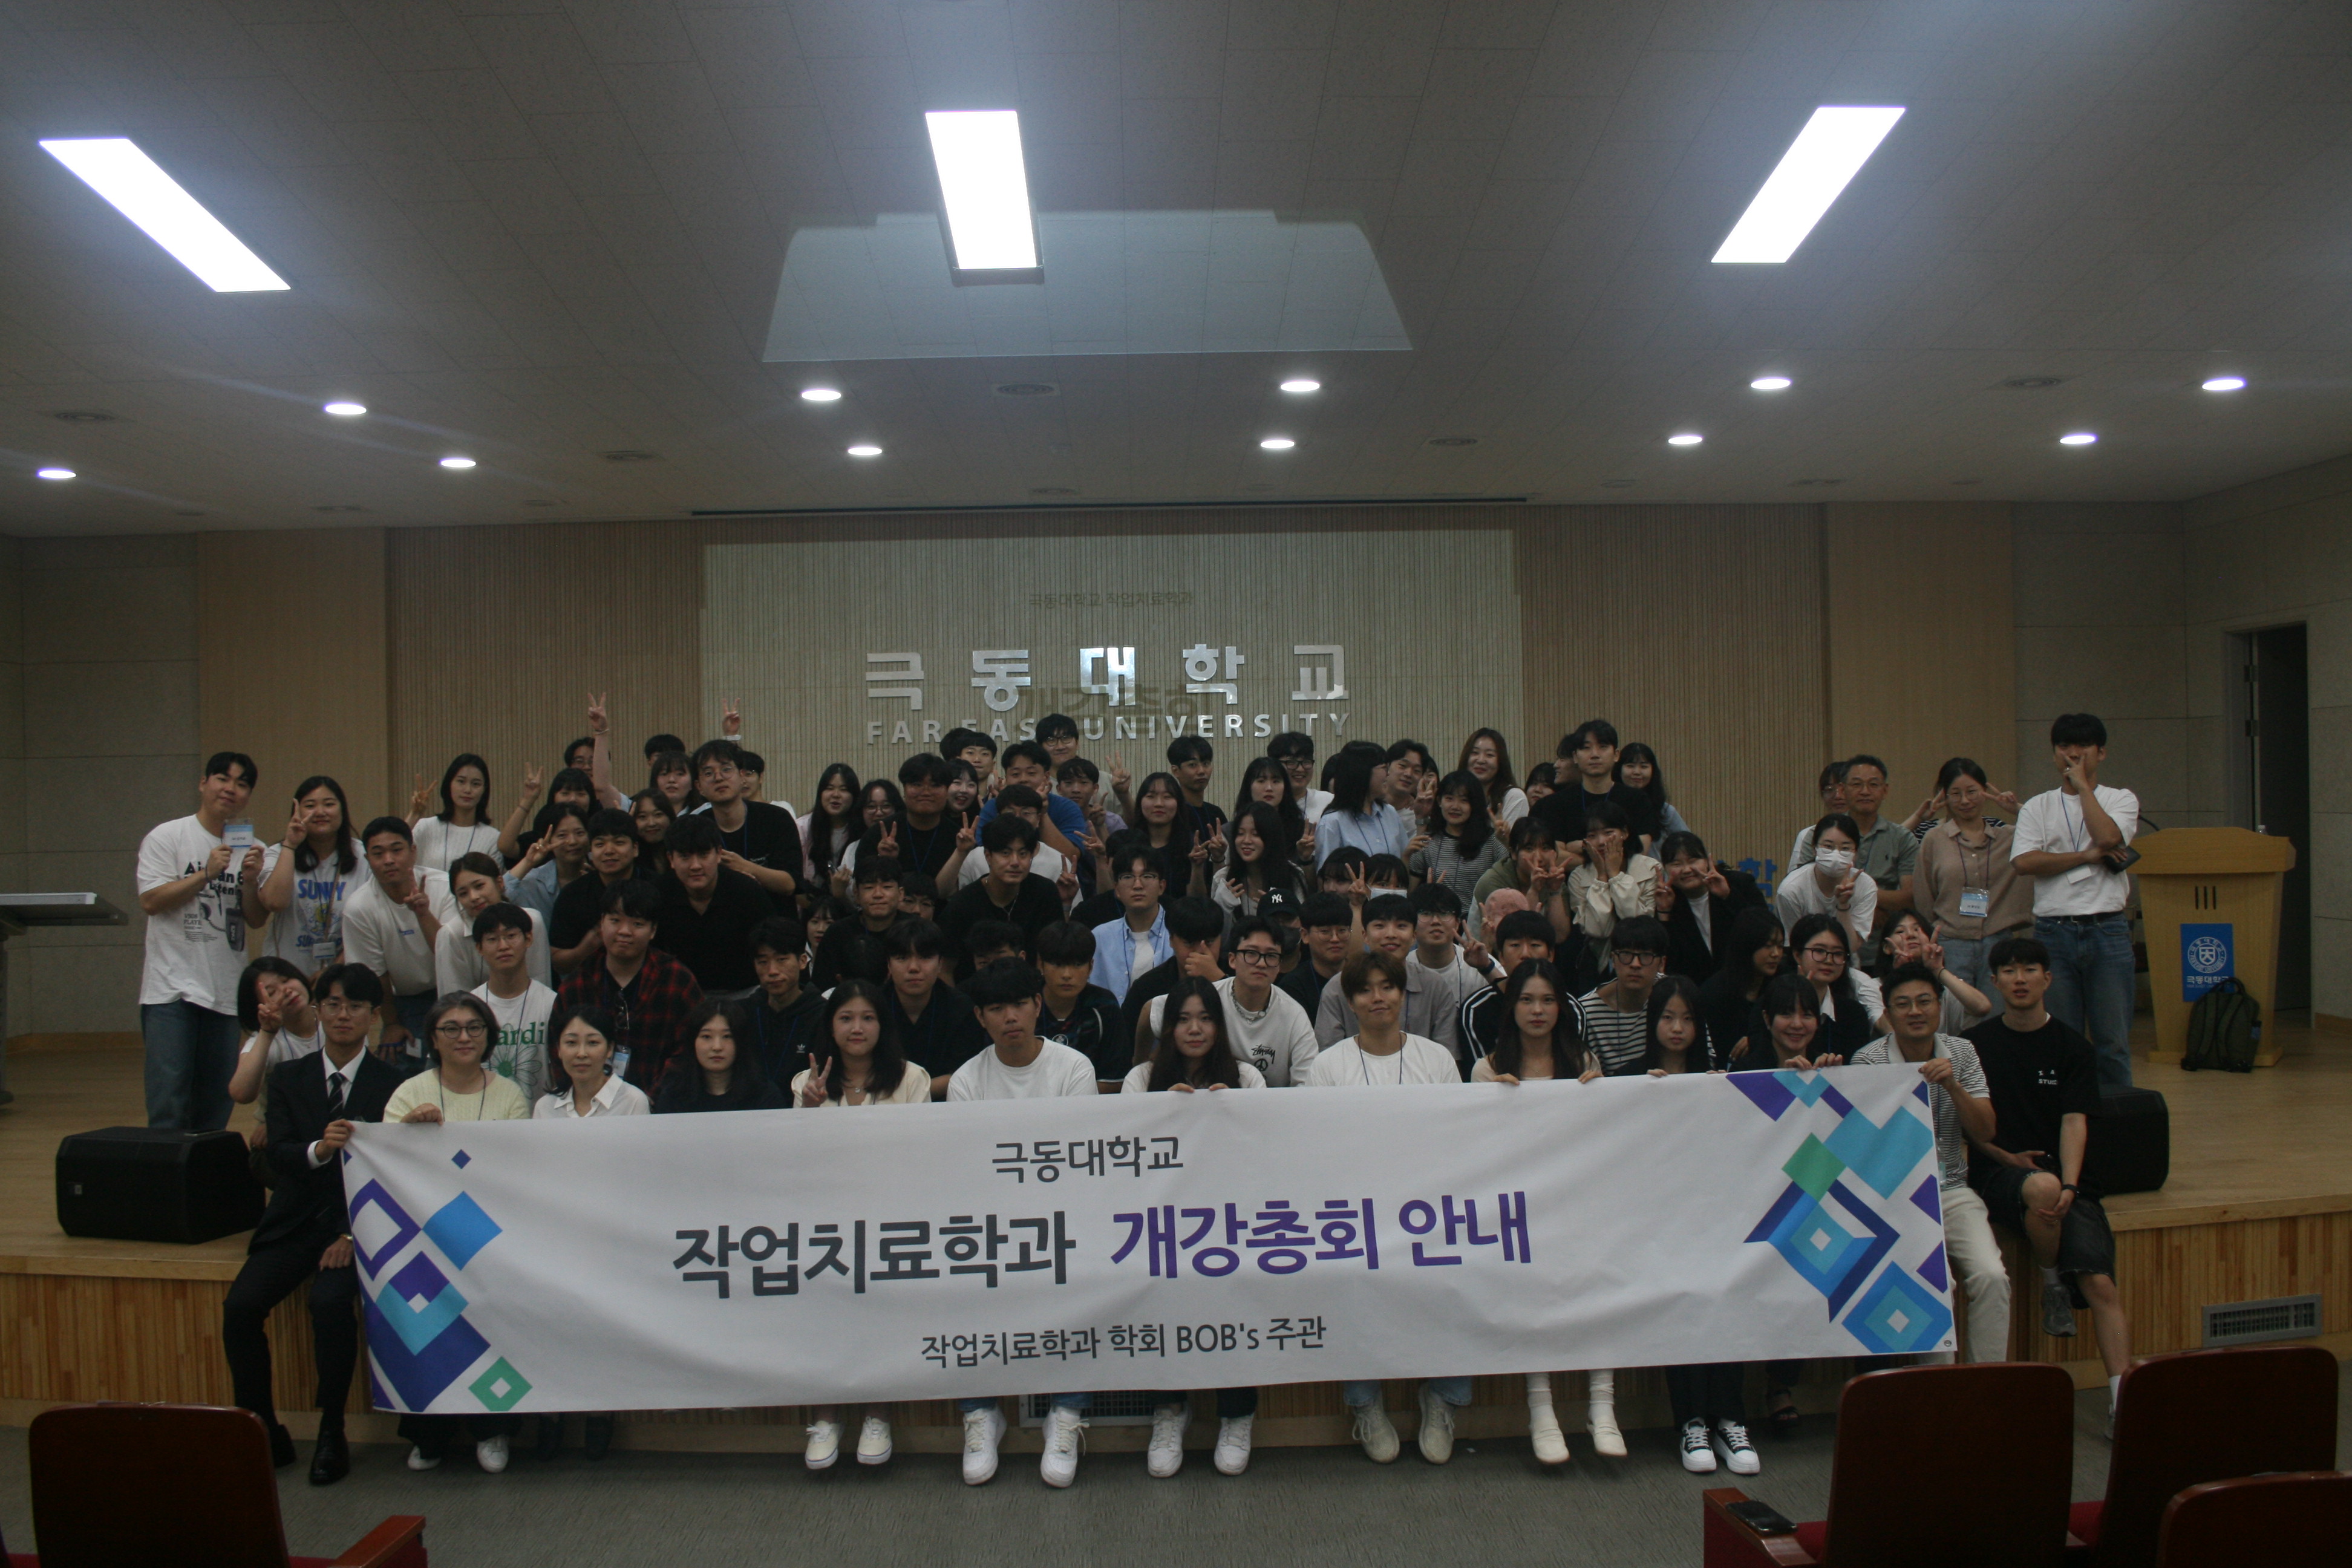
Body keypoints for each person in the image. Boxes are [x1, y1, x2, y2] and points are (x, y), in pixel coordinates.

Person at [220, 961, 399, 1486]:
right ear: (317, 1011)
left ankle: (331, 1430)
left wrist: (350, 1233)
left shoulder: (396, 1083)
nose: (344, 1015)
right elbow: (275, 1154)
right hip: (294, 1222)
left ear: (373, 1016)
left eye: (356, 1006)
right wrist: (318, 1150)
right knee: (240, 1307)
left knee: (329, 1305)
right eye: (334, 1004)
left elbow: (395, 1175)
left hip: (357, 1227)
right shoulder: (288, 1077)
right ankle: (261, 1427)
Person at [1303, 949, 1467, 1462]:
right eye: (1365, 989)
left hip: (1430, 1209)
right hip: (1355, 1213)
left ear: (1402, 994)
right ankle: (1365, 1403)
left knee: (1461, 1273)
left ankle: (1443, 1398)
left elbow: (1457, 1141)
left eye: (1388, 987)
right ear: (1350, 1001)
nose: (1378, 998)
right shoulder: (1328, 1066)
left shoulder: (1436, 1060)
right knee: (1352, 1281)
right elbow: (1318, 1151)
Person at [1966, 935, 2132, 1423]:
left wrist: (2073, 1187)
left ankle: (2125, 1403)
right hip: (1999, 1174)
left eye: (2029, 970)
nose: (2020, 980)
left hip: (2066, 1181)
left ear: (2048, 978)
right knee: (2041, 1186)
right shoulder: (1976, 1046)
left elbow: (2074, 1122)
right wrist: (2008, 1158)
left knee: (2101, 1284)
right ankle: (2053, 1280)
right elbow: (1972, 1127)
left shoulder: (2073, 1047)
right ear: (1995, 982)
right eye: (2009, 971)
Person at [949, 961, 1099, 1486]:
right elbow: (970, 1171)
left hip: (1066, 1219)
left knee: (1083, 1282)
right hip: (990, 1223)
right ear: (980, 1017)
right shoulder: (967, 1080)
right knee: (960, 1282)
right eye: (997, 1009)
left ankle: (1066, 1412)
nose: (1010, 1017)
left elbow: (1078, 1159)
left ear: (1038, 1006)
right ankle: (980, 1412)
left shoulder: (1073, 1068)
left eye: (1019, 1005)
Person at [1123, 976, 1266, 1478]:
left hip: (1234, 1223)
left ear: (1220, 1026)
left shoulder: (1246, 1078)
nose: (1195, 1029)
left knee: (1239, 1294)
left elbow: (1266, 1153)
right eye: (1183, 1020)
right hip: (1160, 1224)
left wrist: (1234, 1116)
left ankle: (1237, 1415)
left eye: (1205, 1018)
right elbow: (1123, 1157)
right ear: (1167, 1028)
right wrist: (1163, 1116)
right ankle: (1168, 1410)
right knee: (1157, 1291)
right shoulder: (1141, 1079)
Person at [383, 991, 529, 1475]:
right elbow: (385, 1167)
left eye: (474, 1028)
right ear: (433, 1038)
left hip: (490, 1236)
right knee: (422, 1321)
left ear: (489, 1036)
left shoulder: (510, 1095)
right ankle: (430, 1434)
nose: (464, 1037)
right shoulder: (409, 1092)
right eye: (451, 1028)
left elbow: (516, 1170)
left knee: (492, 1315)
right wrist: (409, 1133)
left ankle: (492, 1429)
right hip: (423, 1236)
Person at [789, 979, 927, 1471]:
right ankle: (826, 1416)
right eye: (846, 1018)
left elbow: (919, 1156)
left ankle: (877, 1412)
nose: (857, 1028)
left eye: (868, 1018)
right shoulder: (804, 1082)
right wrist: (809, 1109)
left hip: (891, 1219)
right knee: (823, 1308)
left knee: (880, 1307)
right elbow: (796, 1161)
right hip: (825, 1222)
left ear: (882, 1025)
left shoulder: (911, 1078)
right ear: (830, 1026)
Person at [1470, 958, 1604, 1465]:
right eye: (1527, 1000)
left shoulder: (1584, 1060)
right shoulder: (1487, 1067)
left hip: (1578, 1202)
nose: (1538, 1010)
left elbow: (1607, 1134)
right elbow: (1476, 1148)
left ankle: (1603, 1403)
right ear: (1512, 1007)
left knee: (1602, 1282)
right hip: (1517, 1207)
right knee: (1531, 1290)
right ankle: (1540, 1407)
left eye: (1548, 1000)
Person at [1852, 962, 2007, 1366]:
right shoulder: (1867, 1062)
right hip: (1896, 1198)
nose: (1915, 1011)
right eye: (1903, 1004)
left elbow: (1986, 1130)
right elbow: (1862, 1148)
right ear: (1888, 1012)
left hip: (1952, 1189)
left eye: (1924, 1001)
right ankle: (1938, 1391)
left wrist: (1953, 1085)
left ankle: (1987, 1385)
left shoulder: (1963, 1052)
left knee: (1992, 1275)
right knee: (1938, 1284)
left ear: (1939, 1005)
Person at [1640, 973, 1760, 1475]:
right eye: (1668, 1017)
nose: (1677, 1028)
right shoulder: (1629, 1079)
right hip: (1653, 1225)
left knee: (1728, 1294)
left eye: (1688, 1019)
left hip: (1715, 1219)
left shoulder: (1719, 1082)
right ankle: (1691, 1421)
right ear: (1653, 1021)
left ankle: (1730, 1419)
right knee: (1682, 1300)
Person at [1733, 972, 1846, 1436]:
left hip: (1811, 1198)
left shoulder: (1833, 1067)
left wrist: (1830, 1083)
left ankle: (1781, 1384)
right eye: (1786, 1013)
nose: (1797, 1023)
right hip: (1750, 1200)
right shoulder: (1744, 1071)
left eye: (1807, 1014)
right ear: (1766, 1019)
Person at [2009, 714, 2140, 1091]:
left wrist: (2082, 786)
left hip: (2107, 930)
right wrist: (2086, 856)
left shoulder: (2120, 799)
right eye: (2064, 746)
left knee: (2112, 1042)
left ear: (2101, 753)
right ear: (2054, 753)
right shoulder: (2038, 806)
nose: (2072, 753)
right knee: (2062, 1040)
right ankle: (2068, 1117)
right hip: (2055, 932)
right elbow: (2024, 862)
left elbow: (2109, 838)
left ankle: (2115, 1119)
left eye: (2083, 746)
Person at [138, 751, 263, 1130]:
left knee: (215, 1106)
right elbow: (151, 901)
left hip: (225, 991)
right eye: (223, 779)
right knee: (169, 1103)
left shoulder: (250, 847)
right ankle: (167, 1170)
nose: (231, 789)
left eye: (242, 784)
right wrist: (206, 874)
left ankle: (204, 1170)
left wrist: (251, 881)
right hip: (171, 990)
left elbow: (256, 918)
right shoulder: (169, 836)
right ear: (203, 783)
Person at [554, 882, 704, 1097]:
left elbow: (689, 1049)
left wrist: (651, 1099)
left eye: (637, 924)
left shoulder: (677, 981)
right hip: (591, 1106)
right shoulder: (577, 984)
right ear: (602, 923)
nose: (625, 931)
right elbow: (558, 1051)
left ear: (653, 930)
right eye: (615, 921)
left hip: (662, 1105)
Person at [1137, 916, 1318, 1086]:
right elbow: (1150, 1011)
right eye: (1251, 953)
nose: (1261, 963)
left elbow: (1307, 1085)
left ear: (1279, 965)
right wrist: (1139, 1062)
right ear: (1232, 960)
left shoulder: (1294, 1015)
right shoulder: (1207, 997)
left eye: (1271, 956)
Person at [341, 817, 460, 1067]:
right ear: (367, 859)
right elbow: (375, 975)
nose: (388, 860)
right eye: (378, 854)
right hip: (403, 1001)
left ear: (413, 851)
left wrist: (423, 914)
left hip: (454, 989)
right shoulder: (359, 907)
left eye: (397, 850)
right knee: (402, 1066)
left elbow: (453, 955)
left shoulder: (445, 886)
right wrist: (392, 1023)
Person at [1914, 757, 2032, 998]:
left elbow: (2051, 832)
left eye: (1972, 792)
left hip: (1998, 941)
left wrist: (2016, 809)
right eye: (1956, 794)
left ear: (1985, 792)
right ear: (1945, 796)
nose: (1965, 801)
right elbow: (1924, 896)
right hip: (1951, 942)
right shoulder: (1934, 839)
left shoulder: (2009, 837)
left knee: (1996, 1012)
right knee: (1955, 1014)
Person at [1798, 754, 1916, 964]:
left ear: (1885, 790)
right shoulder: (1818, 836)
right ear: (1843, 790)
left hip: (1884, 950)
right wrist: (1869, 902)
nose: (1865, 791)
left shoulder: (1902, 838)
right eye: (1857, 784)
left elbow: (1909, 897)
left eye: (1873, 785)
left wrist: (1867, 900)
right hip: (1827, 948)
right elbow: (1806, 887)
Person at [651, 813, 777, 993]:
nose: (695, 866)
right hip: (680, 993)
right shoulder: (658, 894)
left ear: (719, 854)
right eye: (685, 857)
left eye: (704, 855)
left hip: (746, 992)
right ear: (671, 859)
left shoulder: (747, 892)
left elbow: (771, 946)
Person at [255, 774, 367, 978]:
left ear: (342, 810)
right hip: (286, 975)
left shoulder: (363, 855)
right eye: (310, 806)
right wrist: (291, 845)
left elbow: (368, 925)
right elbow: (275, 902)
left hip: (343, 976)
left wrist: (332, 972)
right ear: (296, 812)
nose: (320, 812)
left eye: (329, 804)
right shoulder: (278, 853)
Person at [1313, 892, 1456, 1048]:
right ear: (1365, 935)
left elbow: (1447, 1053)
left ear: (1414, 936)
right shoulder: (1338, 988)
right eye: (1380, 926)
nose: (1390, 935)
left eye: (1401, 926)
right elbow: (1328, 1052)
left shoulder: (1435, 986)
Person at [939, 814, 1073, 969]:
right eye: (1005, 853)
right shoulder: (964, 903)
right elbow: (946, 969)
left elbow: (1055, 953)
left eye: (1023, 854)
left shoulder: (1044, 891)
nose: (1015, 862)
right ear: (988, 856)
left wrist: (1065, 905)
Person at [692, 740, 805, 901]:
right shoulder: (695, 827)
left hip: (771, 914)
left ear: (742, 776)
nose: (718, 778)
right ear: (699, 787)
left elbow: (790, 884)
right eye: (708, 773)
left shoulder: (777, 818)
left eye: (726, 769)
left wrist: (743, 866)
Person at [884, 920, 987, 1096]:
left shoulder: (962, 1008)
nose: (914, 968)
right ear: (889, 964)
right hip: (882, 1102)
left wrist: (911, 1094)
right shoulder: (872, 1007)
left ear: (940, 964)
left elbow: (967, 1073)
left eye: (925, 957)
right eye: (902, 958)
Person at [1119, 897, 1228, 1062]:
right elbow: (1126, 1048)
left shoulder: (1237, 974)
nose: (1200, 951)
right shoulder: (1147, 987)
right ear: (1171, 940)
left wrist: (1220, 980)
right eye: (1189, 943)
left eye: (1210, 942)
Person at [463, 903, 554, 1101]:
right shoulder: (470, 1009)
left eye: (511, 936)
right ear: (479, 948)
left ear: (528, 939)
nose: (503, 946)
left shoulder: (551, 1004)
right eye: (492, 939)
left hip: (539, 1115)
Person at [226, 959, 322, 1141]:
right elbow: (241, 1093)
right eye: (272, 992)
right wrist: (267, 1032)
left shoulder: (333, 1019)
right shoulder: (267, 1040)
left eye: (286, 980)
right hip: (287, 1134)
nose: (286, 991)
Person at [434, 852, 554, 995]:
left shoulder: (532, 921)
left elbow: (540, 983)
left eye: (479, 886)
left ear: (500, 883)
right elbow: (453, 998)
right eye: (463, 894)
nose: (474, 897)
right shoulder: (450, 935)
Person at [1452, 910, 1558, 1069]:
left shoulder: (1569, 1006)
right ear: (1501, 956)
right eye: (1515, 945)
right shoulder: (1477, 1009)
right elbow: (1481, 1073)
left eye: (1535, 945)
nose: (1525, 954)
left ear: (1550, 955)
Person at [1657, 832, 1767, 983]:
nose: (1687, 870)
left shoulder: (1739, 884)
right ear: (1665, 868)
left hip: (1745, 981)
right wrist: (1664, 913)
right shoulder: (1666, 898)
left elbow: (1765, 930)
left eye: (1693, 861)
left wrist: (1728, 896)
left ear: (1708, 861)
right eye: (1677, 864)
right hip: (1694, 988)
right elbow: (1667, 960)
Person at [1571, 915, 1672, 1077]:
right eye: (1626, 954)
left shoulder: (1674, 997)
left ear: (1662, 963)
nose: (1635, 964)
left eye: (1646, 956)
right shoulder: (1587, 1011)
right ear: (1613, 959)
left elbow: (1704, 1055)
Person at [548, 808, 645, 974]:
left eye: (619, 843)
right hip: (590, 981)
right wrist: (586, 948)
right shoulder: (572, 895)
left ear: (635, 848)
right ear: (591, 851)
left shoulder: (657, 888)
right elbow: (558, 963)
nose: (609, 851)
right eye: (600, 844)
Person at [1560, 801, 1659, 961]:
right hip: (1598, 959)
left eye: (1608, 833)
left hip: (1643, 955)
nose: (1601, 842)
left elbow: (1638, 923)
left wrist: (1615, 875)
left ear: (1625, 833)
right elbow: (1599, 930)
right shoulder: (1578, 877)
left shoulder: (1650, 868)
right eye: (1592, 836)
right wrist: (1602, 878)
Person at [1539, 720, 1659, 851]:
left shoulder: (1637, 800)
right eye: (1586, 748)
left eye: (1603, 747)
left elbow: (1640, 851)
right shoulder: (1556, 803)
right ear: (1575, 757)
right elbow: (1556, 856)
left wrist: (1579, 848)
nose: (1595, 755)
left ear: (1616, 755)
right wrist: (1608, 853)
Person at [1777, 913, 1881, 1061]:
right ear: (1797, 955)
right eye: (1819, 951)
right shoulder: (1772, 1004)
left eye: (1838, 953)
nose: (1829, 960)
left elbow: (1856, 1068)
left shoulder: (1853, 1014)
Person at [1407, 771, 1506, 925]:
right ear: (1439, 801)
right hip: (1439, 923)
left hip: (1480, 924)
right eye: (1449, 799)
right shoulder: (1428, 840)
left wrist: (1506, 841)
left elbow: (1511, 876)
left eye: (1464, 801)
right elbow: (1411, 893)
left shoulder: (1491, 840)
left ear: (1474, 805)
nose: (1455, 807)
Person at [1033, 921, 1125, 1084]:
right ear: (1041, 964)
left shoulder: (1104, 1006)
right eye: (1058, 964)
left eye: (1077, 965)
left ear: (1091, 967)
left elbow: (1113, 1080)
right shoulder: (1024, 1003)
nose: (1067, 975)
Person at [654, 998, 785, 1112]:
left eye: (727, 1036)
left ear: (741, 1042)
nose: (717, 1047)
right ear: (692, 1042)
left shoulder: (764, 1095)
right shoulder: (673, 1096)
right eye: (707, 1037)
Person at [405, 753, 530, 872]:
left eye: (476, 784)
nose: (468, 790)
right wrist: (415, 814)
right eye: (461, 782)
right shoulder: (425, 827)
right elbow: (398, 850)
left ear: (484, 790)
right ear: (449, 784)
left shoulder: (493, 838)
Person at [1774, 812, 1876, 953]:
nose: (1836, 855)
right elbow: (1793, 946)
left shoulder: (1865, 885)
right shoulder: (1791, 889)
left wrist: (1843, 905)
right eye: (1828, 846)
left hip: (1845, 961)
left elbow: (1851, 947)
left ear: (1856, 853)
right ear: (1814, 848)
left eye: (1845, 848)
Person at [1696, 909, 1785, 1069]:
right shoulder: (1714, 994)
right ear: (1747, 945)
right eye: (1768, 946)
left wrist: (1759, 1041)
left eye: (1780, 946)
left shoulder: (1781, 985)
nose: (1776, 954)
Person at [1879, 909, 1994, 1033]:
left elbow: (1982, 1007)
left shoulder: (1947, 987)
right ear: (1886, 948)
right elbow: (1890, 1030)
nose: (1911, 935)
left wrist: (1938, 969)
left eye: (1917, 929)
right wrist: (1900, 975)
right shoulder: (1874, 987)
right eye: (1900, 931)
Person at [534, 1002, 651, 1122]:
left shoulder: (633, 1101)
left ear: (610, 1049)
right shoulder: (546, 1107)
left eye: (593, 1042)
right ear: (559, 1049)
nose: (581, 1054)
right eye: (571, 1042)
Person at [745, 916, 826, 1086]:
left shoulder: (823, 1016)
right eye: (763, 962)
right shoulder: (745, 1013)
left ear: (802, 961)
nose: (772, 971)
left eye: (781, 960)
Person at [976, 741, 1089, 862]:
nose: (1023, 779)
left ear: (1046, 777)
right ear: (1006, 777)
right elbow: (983, 855)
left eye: (1031, 773)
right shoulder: (993, 806)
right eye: (1015, 774)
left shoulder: (1066, 807)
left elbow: (1070, 857)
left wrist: (1043, 813)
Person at [1088, 840, 1171, 1002]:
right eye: (1128, 877)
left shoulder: (1179, 933)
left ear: (1162, 886)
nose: (1138, 885)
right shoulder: (1100, 937)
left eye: (1147, 876)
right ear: (1117, 889)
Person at [812, 856, 904, 988]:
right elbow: (822, 986)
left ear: (901, 894)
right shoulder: (837, 933)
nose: (878, 894)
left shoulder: (915, 931)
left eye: (887, 887)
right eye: (869, 887)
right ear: (856, 894)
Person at [955, 783, 1067, 889]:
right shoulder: (976, 858)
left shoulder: (1057, 861)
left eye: (1026, 813)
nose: (1017, 818)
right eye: (1010, 813)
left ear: (1038, 819)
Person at [1315, 742, 1410, 866]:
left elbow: (1404, 859)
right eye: (1384, 768)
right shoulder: (1333, 822)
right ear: (1363, 771)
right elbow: (1326, 873)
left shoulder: (1390, 813)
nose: (1388, 774)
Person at [1214, 802, 1303, 924]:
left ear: (1271, 837)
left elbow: (1301, 928)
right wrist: (1223, 910)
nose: (1246, 841)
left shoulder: (1293, 875)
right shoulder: (1222, 879)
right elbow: (1216, 934)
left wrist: (1276, 914)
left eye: (1256, 834)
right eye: (1240, 834)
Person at [503, 801, 590, 927]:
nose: (572, 841)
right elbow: (500, 896)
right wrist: (528, 862)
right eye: (562, 835)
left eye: (580, 833)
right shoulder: (535, 882)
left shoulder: (601, 871)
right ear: (547, 840)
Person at [1281, 892, 1354, 1016]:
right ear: (1305, 935)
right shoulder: (1293, 987)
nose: (1335, 939)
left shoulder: (1363, 976)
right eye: (1325, 932)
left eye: (1342, 931)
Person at [1232, 756, 1310, 866]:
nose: (1269, 788)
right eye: (1261, 781)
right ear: (1249, 786)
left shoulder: (1304, 831)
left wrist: (1306, 859)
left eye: (1276, 781)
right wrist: (1218, 858)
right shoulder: (1230, 831)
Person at [799, 763, 862, 888]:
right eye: (829, 788)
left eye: (844, 789)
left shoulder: (862, 829)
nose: (836, 795)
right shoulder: (802, 828)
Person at [1614, 742, 1691, 840]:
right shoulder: (1609, 805)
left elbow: (1689, 844)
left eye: (1644, 767)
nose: (1637, 772)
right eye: (1630, 766)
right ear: (1619, 770)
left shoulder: (1665, 812)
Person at [1790, 760, 1854, 871]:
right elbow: (1796, 877)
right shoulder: (1809, 835)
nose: (1838, 796)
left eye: (1844, 789)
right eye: (1830, 790)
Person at [1458, 728, 1527, 827]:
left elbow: (1513, 837)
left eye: (1490, 755)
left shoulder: (1513, 797)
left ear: (1501, 761)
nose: (1481, 760)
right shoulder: (1457, 796)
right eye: (1475, 753)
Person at [1166, 735, 1226, 837]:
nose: (1201, 771)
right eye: (1193, 765)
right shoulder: (1170, 813)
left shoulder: (1215, 814)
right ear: (1176, 771)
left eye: (1206, 764)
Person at [1268, 731, 1333, 822]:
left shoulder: (1329, 801)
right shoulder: (1266, 802)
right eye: (1291, 762)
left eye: (1306, 762)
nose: (1300, 769)